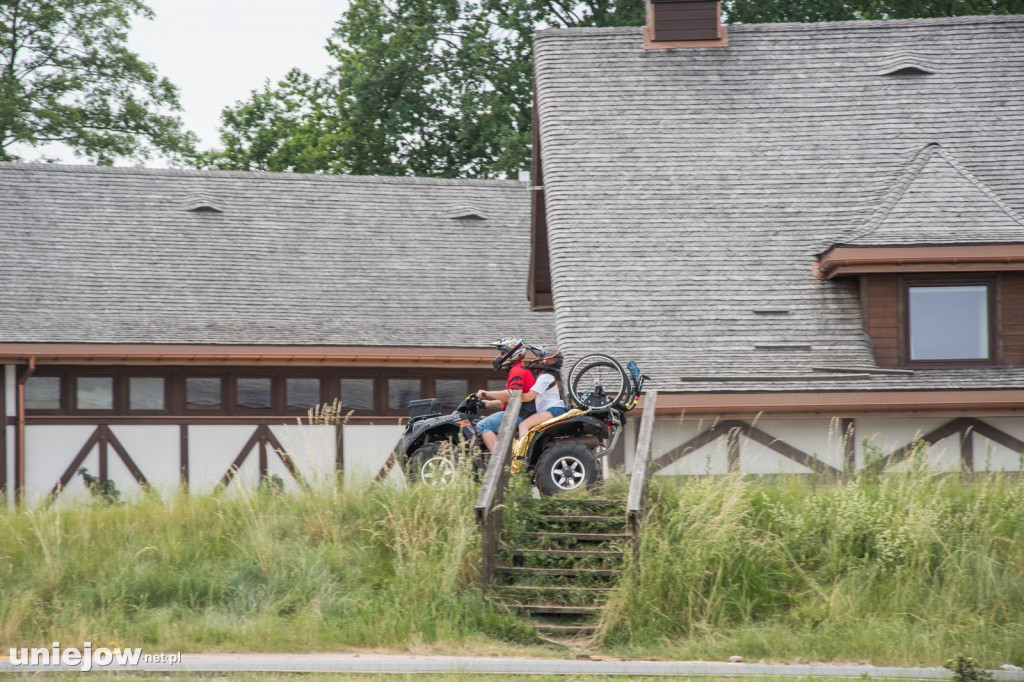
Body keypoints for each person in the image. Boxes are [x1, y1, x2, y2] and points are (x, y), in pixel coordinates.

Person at [474, 337, 536, 453]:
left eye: (503, 353)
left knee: (483, 426)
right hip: (521, 412)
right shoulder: (518, 368)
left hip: (520, 414)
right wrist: (491, 404)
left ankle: (498, 463)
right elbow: (515, 398)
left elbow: (513, 395)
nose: (500, 356)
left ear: (514, 353)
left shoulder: (517, 370)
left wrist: (486, 393)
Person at [517, 346, 566, 439]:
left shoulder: (545, 377)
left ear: (550, 360)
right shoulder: (547, 377)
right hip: (554, 409)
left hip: (552, 409)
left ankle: (522, 453)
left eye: (540, 357)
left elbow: (529, 397)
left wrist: (512, 395)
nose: (536, 360)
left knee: (523, 425)